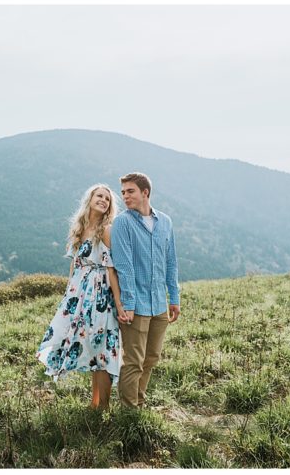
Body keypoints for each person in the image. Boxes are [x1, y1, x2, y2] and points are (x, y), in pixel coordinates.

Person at [37, 184, 125, 410]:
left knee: (103, 346)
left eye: (107, 198)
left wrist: (117, 300)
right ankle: (94, 403)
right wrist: (69, 294)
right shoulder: (79, 229)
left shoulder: (106, 230)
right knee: (89, 345)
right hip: (79, 295)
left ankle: (103, 406)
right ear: (90, 199)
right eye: (99, 196)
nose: (103, 200)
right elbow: (74, 265)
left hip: (101, 294)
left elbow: (111, 268)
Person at [111, 172, 180, 408]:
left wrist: (175, 298)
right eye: (123, 192)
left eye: (130, 191)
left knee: (151, 358)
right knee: (133, 361)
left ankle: (139, 402)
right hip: (136, 305)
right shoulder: (123, 222)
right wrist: (128, 304)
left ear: (145, 192)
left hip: (159, 303)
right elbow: (124, 266)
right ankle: (130, 413)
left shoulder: (166, 222)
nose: (125, 196)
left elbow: (171, 262)